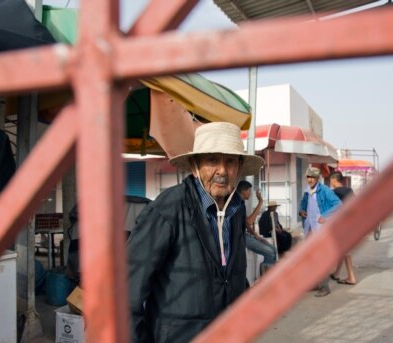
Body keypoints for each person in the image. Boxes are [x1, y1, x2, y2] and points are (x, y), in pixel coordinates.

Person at [126, 122, 265, 343]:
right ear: (195, 166)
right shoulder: (167, 210)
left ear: (239, 168)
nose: (222, 171)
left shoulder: (236, 209)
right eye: (212, 160)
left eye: (230, 161)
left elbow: (232, 272)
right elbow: (126, 292)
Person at [298, 167, 341, 297]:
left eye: (313, 177)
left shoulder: (325, 191)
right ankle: (314, 283)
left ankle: (324, 287)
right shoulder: (307, 191)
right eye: (308, 177)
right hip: (310, 228)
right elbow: (303, 205)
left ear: (317, 178)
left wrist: (326, 216)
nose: (310, 179)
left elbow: (338, 204)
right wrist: (301, 211)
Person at [237, 180, 277, 276]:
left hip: (245, 234)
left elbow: (245, 223)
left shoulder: (241, 202)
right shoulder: (237, 203)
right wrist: (260, 202)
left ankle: (267, 278)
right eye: (249, 191)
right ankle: (266, 282)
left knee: (273, 249)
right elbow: (249, 222)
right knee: (270, 253)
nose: (251, 194)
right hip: (240, 238)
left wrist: (256, 235)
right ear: (243, 191)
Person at [329, 171, 357, 286]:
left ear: (334, 181)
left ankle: (351, 277)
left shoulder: (334, 193)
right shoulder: (349, 191)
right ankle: (336, 273)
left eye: (331, 181)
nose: (331, 183)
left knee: (345, 251)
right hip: (352, 223)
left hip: (341, 224)